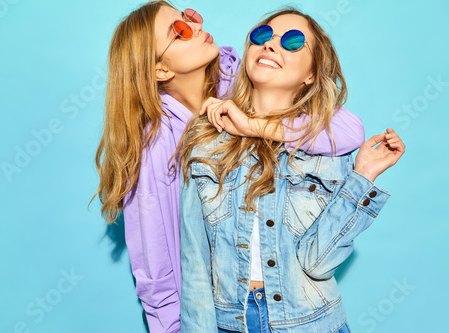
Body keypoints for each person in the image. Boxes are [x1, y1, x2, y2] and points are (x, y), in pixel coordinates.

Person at [92, 2, 366, 332]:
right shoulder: (158, 146)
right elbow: (159, 265)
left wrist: (251, 126)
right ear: (160, 70)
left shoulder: (241, 83)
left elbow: (348, 131)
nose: (193, 26)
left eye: (187, 17)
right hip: (218, 310)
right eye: (179, 31)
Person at [179, 7, 405, 333]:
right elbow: (196, 265)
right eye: (262, 36)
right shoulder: (206, 140)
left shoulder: (329, 147)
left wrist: (363, 177)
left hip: (313, 324)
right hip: (232, 325)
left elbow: (319, 262)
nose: (271, 45)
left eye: (293, 41)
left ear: (311, 74)